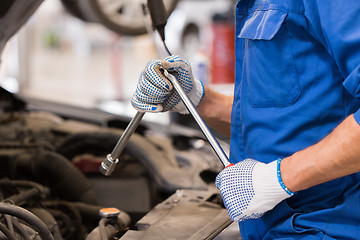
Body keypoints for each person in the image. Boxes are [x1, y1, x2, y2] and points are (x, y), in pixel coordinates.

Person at [131, 1, 360, 239]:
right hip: (276, 229)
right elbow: (282, 118)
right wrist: (198, 99)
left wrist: (278, 179)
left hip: (331, 226)